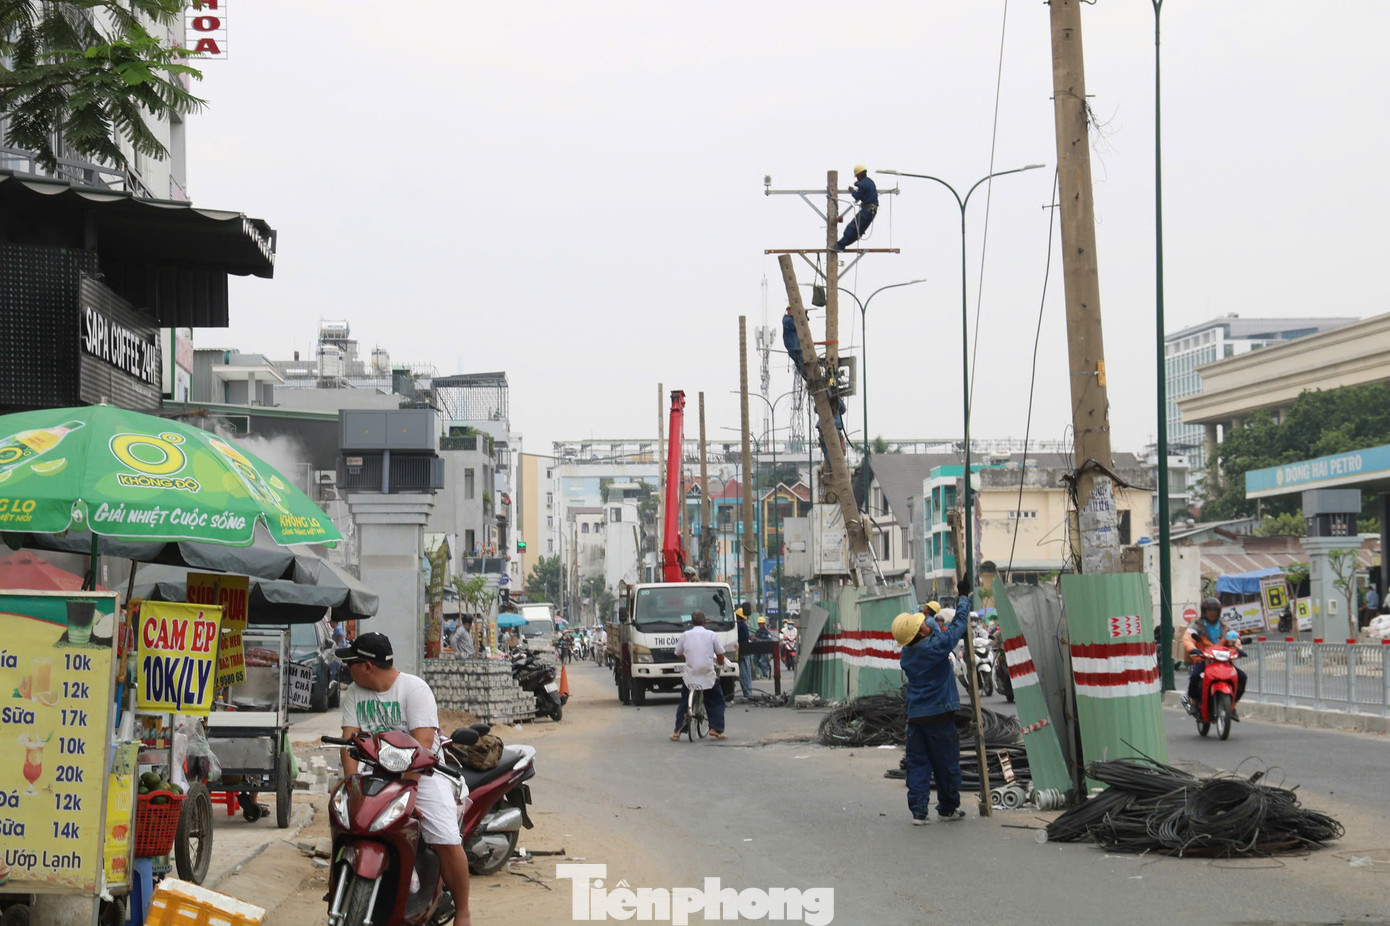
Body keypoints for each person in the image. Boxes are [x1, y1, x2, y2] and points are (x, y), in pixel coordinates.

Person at [337, 632, 471, 926]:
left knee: (445, 836)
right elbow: (349, 744)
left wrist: (406, 788)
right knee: (347, 822)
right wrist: (351, 784)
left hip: (423, 774)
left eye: (352, 664)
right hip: (374, 775)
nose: (348, 669)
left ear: (368, 666)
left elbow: (423, 744)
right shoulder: (354, 693)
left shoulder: (415, 689)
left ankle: (462, 911)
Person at [892, 578, 972, 825]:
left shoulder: (908, 653)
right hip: (939, 715)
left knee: (918, 764)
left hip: (916, 717)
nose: (926, 624)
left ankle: (918, 812)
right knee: (946, 765)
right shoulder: (935, 647)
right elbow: (958, 627)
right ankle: (947, 808)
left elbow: (929, 627)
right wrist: (965, 599)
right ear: (920, 633)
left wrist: (927, 613)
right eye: (922, 626)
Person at [1182, 597, 1247, 719]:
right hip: (1204, 660)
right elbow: (1188, 638)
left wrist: (1238, 649)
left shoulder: (1225, 626)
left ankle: (1232, 707)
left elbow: (1235, 639)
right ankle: (1195, 702)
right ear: (1204, 612)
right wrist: (1192, 649)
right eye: (1209, 611)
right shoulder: (1197, 625)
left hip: (1223, 661)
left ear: (1218, 612)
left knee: (1242, 677)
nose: (1212, 613)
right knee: (1195, 676)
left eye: (1214, 611)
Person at [671, 610, 728, 741]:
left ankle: (678, 731)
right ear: (704, 622)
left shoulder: (685, 635)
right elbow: (720, 654)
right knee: (716, 700)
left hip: (691, 675)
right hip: (707, 673)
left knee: (684, 701)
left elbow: (678, 652)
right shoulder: (711, 635)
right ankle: (715, 728)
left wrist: (686, 657)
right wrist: (720, 663)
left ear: (691, 622)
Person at [835, 165, 878, 251]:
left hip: (867, 210)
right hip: (872, 211)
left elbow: (857, 196)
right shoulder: (870, 182)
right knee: (859, 231)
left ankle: (840, 245)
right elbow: (865, 190)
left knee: (852, 228)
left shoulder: (863, 184)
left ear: (859, 175)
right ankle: (842, 245)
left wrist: (852, 190)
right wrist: (858, 184)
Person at [735, 603, 754, 697]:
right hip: (745, 652)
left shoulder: (739, 626)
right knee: (746, 673)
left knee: (744, 674)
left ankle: (748, 693)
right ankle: (748, 693)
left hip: (741, 652)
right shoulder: (743, 625)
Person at [783, 306, 807, 380]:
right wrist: (802, 316)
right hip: (794, 347)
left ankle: (808, 379)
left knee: (802, 364)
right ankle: (808, 379)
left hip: (797, 347)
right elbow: (797, 326)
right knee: (801, 364)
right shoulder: (787, 320)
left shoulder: (791, 319)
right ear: (788, 311)